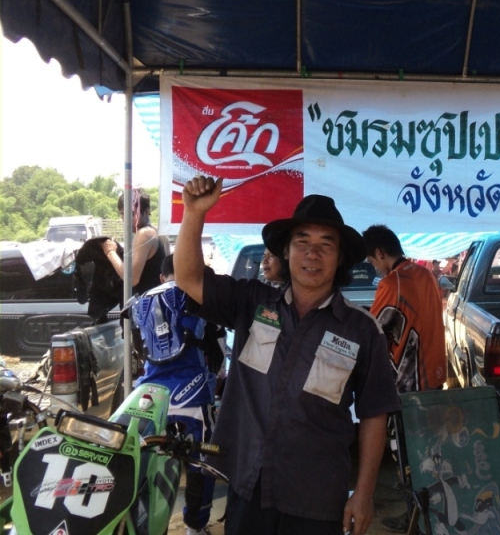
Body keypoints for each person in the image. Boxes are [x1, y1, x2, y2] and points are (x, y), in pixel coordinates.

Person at [174, 177, 399, 535]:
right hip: (248, 486)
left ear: (340, 257)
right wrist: (193, 213)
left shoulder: (362, 330)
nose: (312, 254)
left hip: (317, 498)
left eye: (326, 244)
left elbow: (374, 413)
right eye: (302, 242)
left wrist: (364, 494)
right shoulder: (252, 302)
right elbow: (188, 277)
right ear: (286, 252)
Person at [362, 225, 448, 533]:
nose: (374, 267)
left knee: (406, 454)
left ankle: (415, 516)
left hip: (408, 384)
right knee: (431, 451)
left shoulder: (393, 282)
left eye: (372, 261)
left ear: (380, 253)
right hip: (433, 376)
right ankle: (435, 513)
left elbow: (375, 330)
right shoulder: (425, 275)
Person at [130, 255, 218, 535]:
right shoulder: (200, 295)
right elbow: (216, 349)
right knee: (201, 462)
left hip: (149, 394)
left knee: (146, 461)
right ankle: (195, 526)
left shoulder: (140, 302)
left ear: (162, 276)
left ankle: (149, 526)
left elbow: (137, 348)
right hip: (193, 391)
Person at [102, 189, 168, 294]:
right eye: (122, 214)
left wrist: (110, 252)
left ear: (146, 211)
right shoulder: (159, 232)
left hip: (147, 301)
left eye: (132, 213)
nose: (125, 219)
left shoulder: (144, 233)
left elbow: (131, 279)